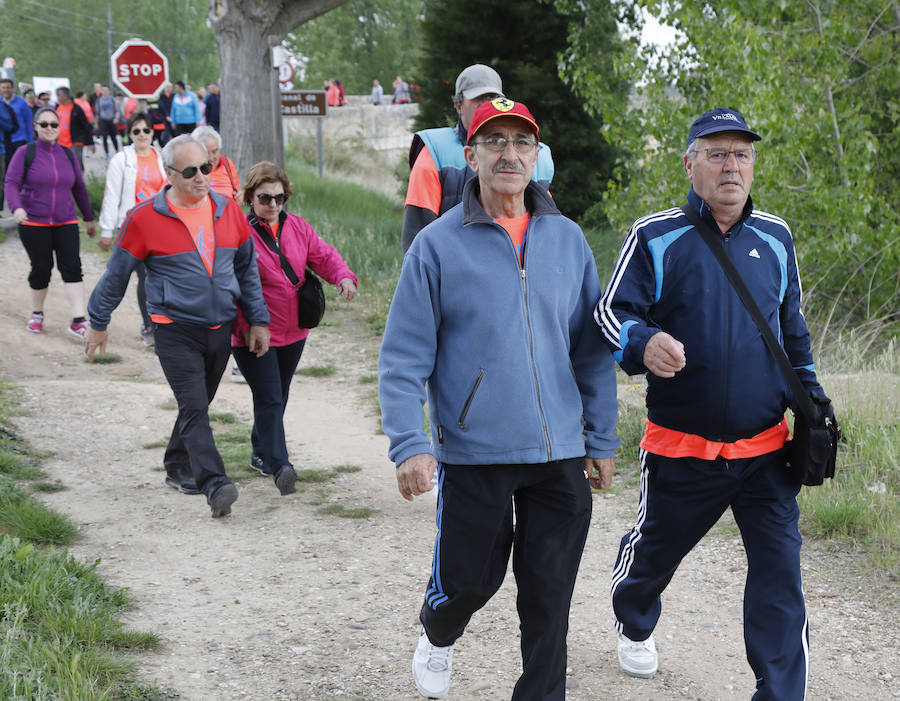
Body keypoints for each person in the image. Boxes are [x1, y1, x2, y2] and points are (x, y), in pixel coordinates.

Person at [378, 98, 619, 700]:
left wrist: (601, 436)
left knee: (549, 594)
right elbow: (405, 357)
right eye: (494, 141)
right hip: (474, 452)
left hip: (558, 451)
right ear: (471, 155)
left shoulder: (567, 239)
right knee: (468, 580)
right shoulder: (436, 246)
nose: (509, 154)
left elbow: (590, 349)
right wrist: (410, 443)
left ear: (537, 157)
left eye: (521, 142)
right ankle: (438, 632)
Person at [595, 107, 834, 699]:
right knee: (654, 553)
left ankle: (780, 691)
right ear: (690, 163)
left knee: (780, 577)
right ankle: (634, 613)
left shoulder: (777, 237)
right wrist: (642, 340)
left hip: (765, 451)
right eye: (717, 152)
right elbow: (609, 312)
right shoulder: (655, 235)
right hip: (683, 449)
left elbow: (792, 333)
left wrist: (813, 400)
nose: (732, 165)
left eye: (742, 154)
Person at [84, 135, 270, 518]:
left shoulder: (227, 210)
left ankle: (176, 463)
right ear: (169, 174)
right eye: (190, 171)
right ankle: (214, 482)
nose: (202, 177)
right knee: (194, 404)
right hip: (174, 328)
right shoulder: (144, 218)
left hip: (221, 324)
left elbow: (246, 269)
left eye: (207, 168)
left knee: (198, 402)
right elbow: (116, 275)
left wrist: (258, 319)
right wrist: (98, 321)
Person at [236, 161, 358, 495]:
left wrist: (343, 276)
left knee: (278, 394)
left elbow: (323, 255)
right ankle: (280, 465)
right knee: (270, 396)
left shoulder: (298, 227)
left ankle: (261, 451)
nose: (273, 204)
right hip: (253, 331)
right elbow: (231, 284)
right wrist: (246, 325)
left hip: (293, 331)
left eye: (278, 197)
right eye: (264, 198)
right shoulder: (238, 232)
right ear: (250, 198)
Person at [401, 64, 554, 253]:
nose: (487, 106)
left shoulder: (538, 155)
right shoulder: (434, 152)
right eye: (478, 99)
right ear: (458, 105)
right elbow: (416, 233)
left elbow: (547, 227)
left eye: (492, 98)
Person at [3, 107, 96, 337]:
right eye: (43, 124)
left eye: (54, 124)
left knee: (73, 267)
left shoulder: (67, 154)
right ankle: (37, 313)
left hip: (66, 221)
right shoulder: (25, 152)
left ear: (59, 127)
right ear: (35, 126)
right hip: (34, 222)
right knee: (42, 268)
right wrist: (17, 208)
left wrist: (88, 217)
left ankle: (78, 320)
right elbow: (11, 183)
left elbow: (79, 188)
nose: (49, 129)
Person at [97, 112, 168, 346]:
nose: (142, 135)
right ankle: (148, 326)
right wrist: (107, 230)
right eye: (136, 131)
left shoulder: (162, 158)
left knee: (158, 277)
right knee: (138, 276)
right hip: (133, 227)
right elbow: (112, 195)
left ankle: (162, 324)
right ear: (129, 134)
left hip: (160, 227)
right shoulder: (121, 160)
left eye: (146, 130)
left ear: (152, 132)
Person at [191, 126, 239, 200]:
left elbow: (237, 190)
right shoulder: (188, 168)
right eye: (206, 153)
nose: (211, 158)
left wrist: (240, 196)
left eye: (215, 151)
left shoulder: (227, 163)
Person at [54, 87, 91, 169]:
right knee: (63, 165)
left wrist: (90, 142)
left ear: (65, 96)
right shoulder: (57, 107)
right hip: (61, 142)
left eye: (58, 95)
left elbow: (86, 125)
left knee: (77, 164)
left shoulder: (76, 108)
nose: (57, 97)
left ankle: (80, 180)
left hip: (75, 141)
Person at [1, 78, 34, 162]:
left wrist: (30, 142)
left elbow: (28, 123)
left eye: (8, 87)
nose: (6, 90)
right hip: (5, 142)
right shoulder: (0, 102)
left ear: (12, 88)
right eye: (3, 87)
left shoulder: (22, 102)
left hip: (20, 140)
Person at [95, 86, 122, 158]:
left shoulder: (112, 100)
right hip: (103, 121)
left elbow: (117, 111)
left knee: (113, 137)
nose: (105, 91)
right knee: (104, 138)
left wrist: (116, 118)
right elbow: (97, 113)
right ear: (101, 91)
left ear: (109, 91)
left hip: (112, 120)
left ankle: (117, 151)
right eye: (103, 90)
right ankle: (106, 153)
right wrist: (96, 123)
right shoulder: (99, 100)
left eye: (106, 90)